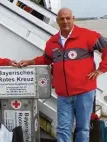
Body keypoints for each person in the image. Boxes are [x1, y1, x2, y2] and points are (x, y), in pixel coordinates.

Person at [19, 8, 107, 142]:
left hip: (84, 93)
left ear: (73, 18)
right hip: (64, 95)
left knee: (83, 128)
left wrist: (101, 69)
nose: (65, 21)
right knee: (63, 129)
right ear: (57, 21)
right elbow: (46, 59)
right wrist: (30, 62)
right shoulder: (52, 42)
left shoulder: (87, 35)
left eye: (68, 18)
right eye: (61, 19)